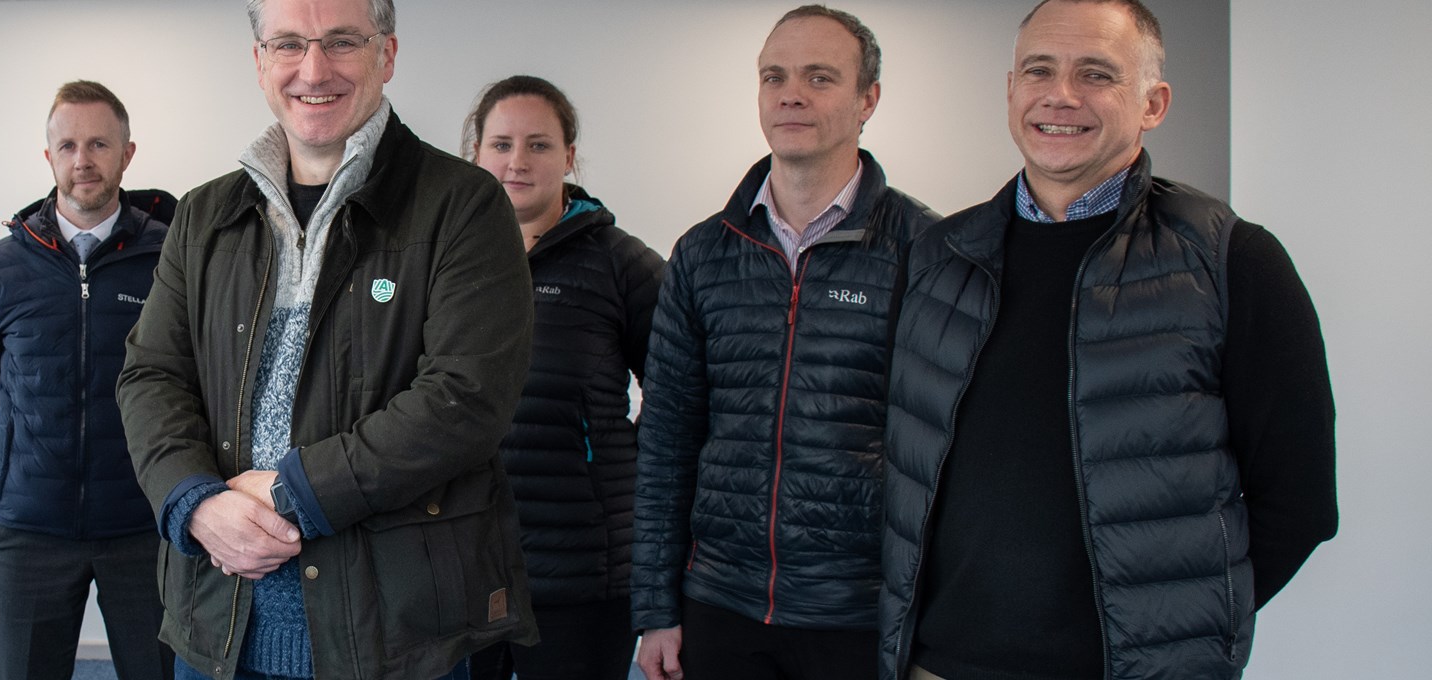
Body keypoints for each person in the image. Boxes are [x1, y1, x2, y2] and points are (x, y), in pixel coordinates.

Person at [878, 1, 1339, 678]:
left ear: (1153, 103)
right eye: (1039, 70)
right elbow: (899, 470)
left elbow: (1299, 502)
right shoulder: (937, 259)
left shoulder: (1231, 261)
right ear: (1011, 91)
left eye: (1096, 74)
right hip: (939, 667)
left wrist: (1187, 632)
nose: (1060, 95)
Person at [115, 1, 538, 678]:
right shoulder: (203, 215)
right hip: (219, 621)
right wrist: (193, 501)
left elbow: (465, 400)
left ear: (386, 55)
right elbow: (151, 377)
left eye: (341, 41)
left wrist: (288, 493)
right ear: (259, 62)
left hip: (390, 636)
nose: (313, 69)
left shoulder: (463, 205)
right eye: (287, 44)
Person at [630, 7, 938, 680]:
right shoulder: (703, 253)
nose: (790, 94)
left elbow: (945, 456)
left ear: (868, 100)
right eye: (775, 76)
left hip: (860, 615)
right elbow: (666, 440)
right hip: (718, 606)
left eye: (819, 77)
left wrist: (933, 626)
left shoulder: (926, 252)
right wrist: (656, 607)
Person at [0, 80, 175, 680]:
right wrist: (13, 459)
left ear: (127, 154)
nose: (83, 160)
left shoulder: (172, 260)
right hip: (29, 527)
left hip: (144, 523)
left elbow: (197, 381)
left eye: (100, 144)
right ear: (47, 156)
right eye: (68, 145)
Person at [458, 75, 664, 680]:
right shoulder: (445, 258)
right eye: (501, 144)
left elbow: (679, 397)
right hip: (460, 563)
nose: (517, 161)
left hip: (582, 567)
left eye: (538, 145)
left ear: (569, 156)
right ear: (476, 153)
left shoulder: (621, 263)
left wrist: (623, 468)